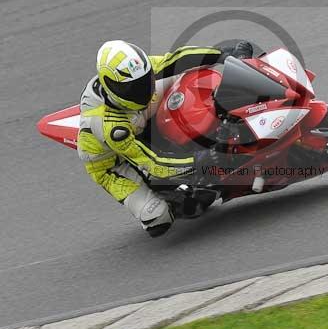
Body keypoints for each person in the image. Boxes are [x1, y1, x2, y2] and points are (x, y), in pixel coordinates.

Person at [77, 40, 253, 237]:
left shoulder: (138, 73)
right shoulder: (110, 127)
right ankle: (173, 194)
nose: (142, 90)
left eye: (144, 81)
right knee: (158, 219)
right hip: (115, 162)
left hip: (135, 114)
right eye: (133, 88)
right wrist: (201, 160)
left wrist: (223, 55)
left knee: (184, 72)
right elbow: (153, 162)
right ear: (112, 87)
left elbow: (176, 59)